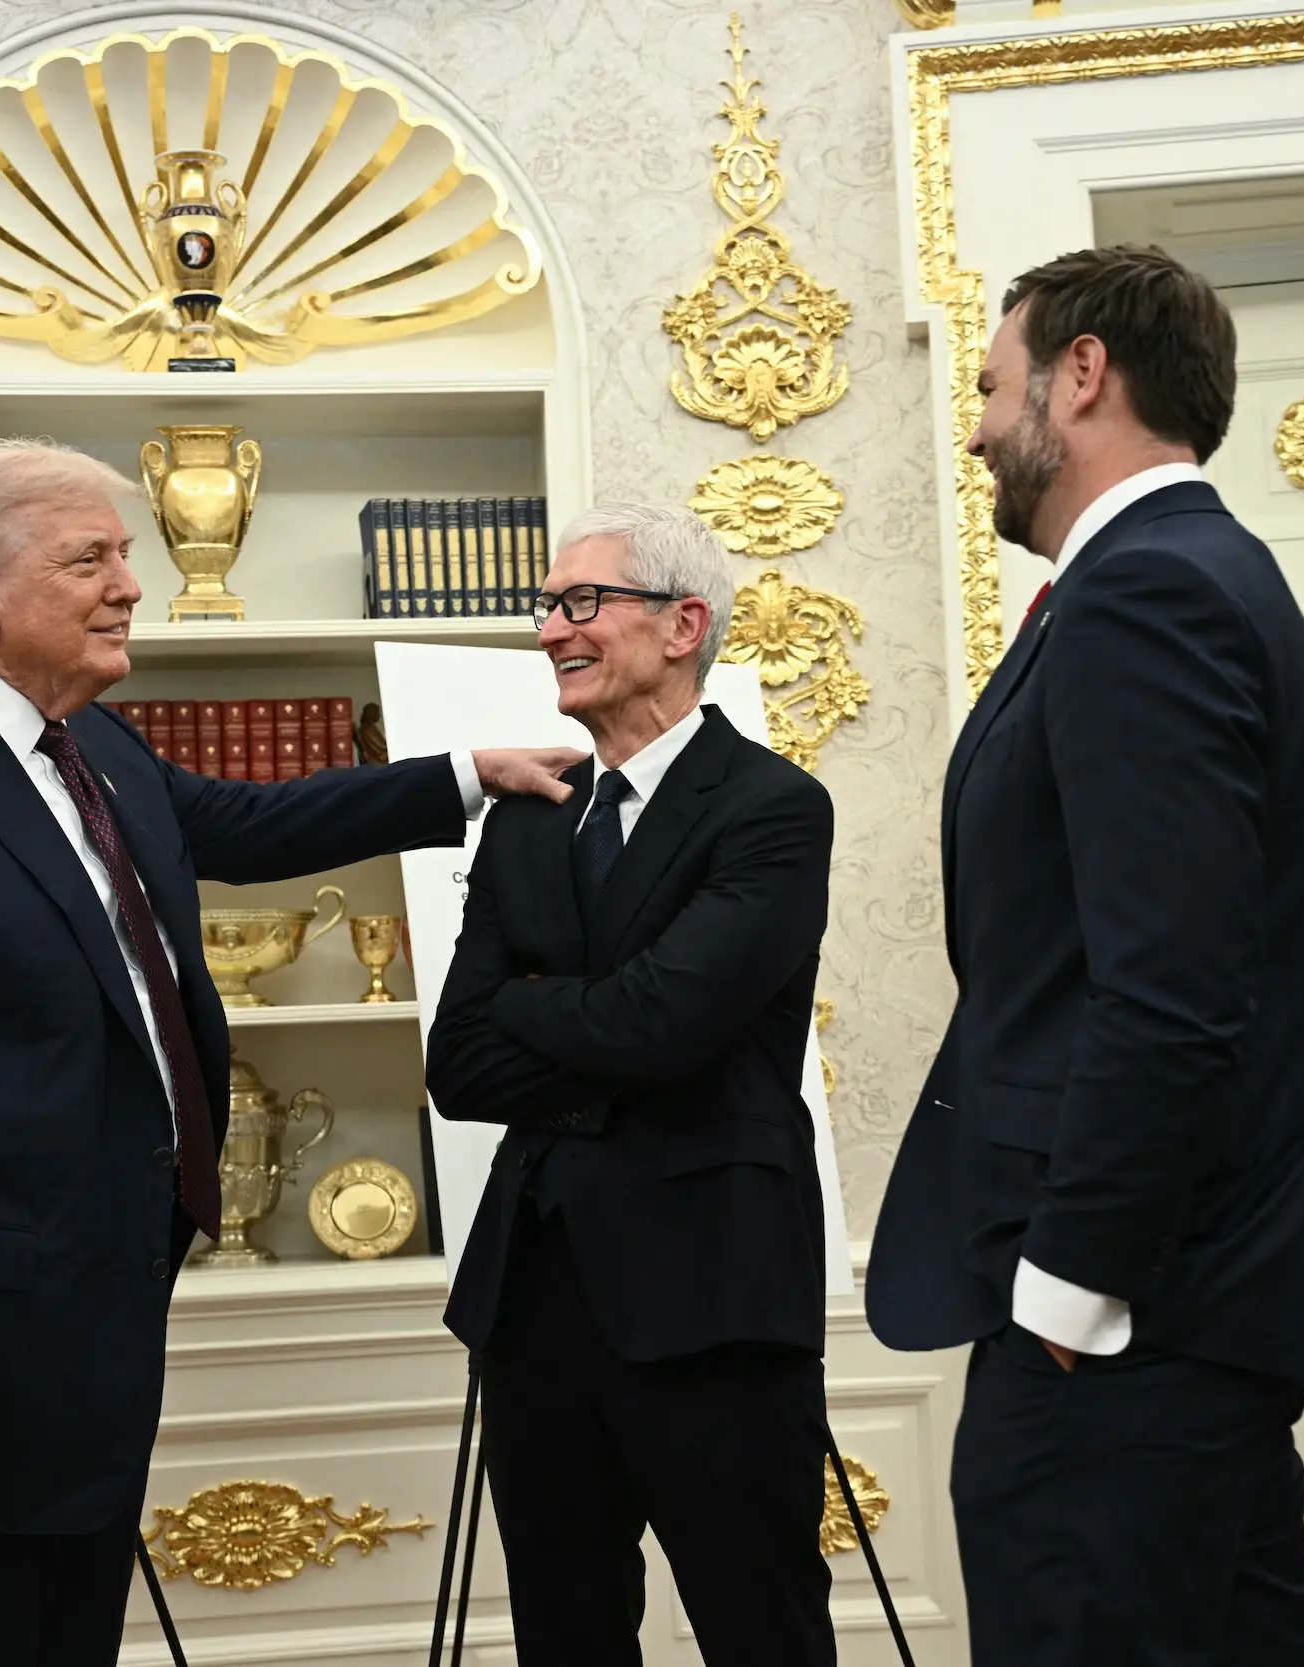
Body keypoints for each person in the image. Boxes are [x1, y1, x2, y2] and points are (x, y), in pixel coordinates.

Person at [0, 439, 577, 1666]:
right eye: (91, 558)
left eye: (127, 553)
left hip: (88, 1329)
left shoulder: (93, 748)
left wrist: (464, 776)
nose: (132, 583)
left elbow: (241, 821)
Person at [866, 246, 1304, 1666]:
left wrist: (1076, 1281)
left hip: (1120, 1330)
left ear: (1079, 373)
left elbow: (1174, 992)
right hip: (1194, 1314)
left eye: (988, 383)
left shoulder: (1147, 592)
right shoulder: (1217, 575)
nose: (973, 425)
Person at [425, 503, 838, 1667]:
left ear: (681, 624)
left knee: (760, 1625)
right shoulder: (526, 822)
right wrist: (605, 1017)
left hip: (711, 1293)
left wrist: (537, 1003)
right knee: (566, 1633)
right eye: (546, 606)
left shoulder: (771, 807)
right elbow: (456, 1063)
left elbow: (667, 1023)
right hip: (534, 1304)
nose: (551, 628)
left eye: (579, 602)